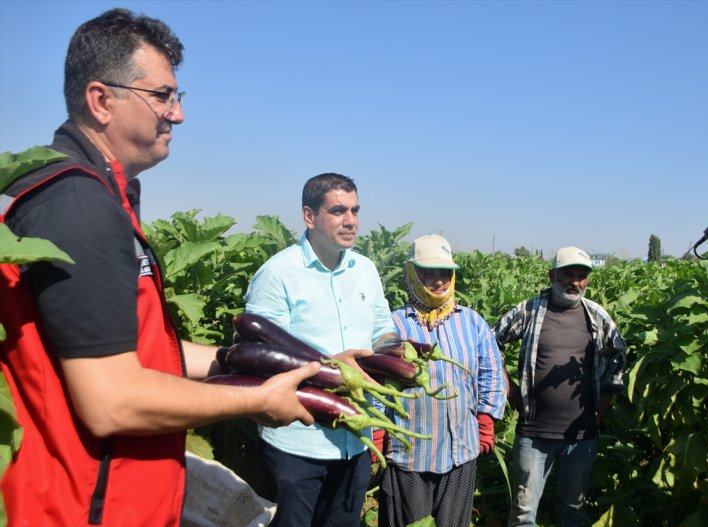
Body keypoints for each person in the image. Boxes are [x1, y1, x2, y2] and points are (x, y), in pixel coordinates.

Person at [0, 9, 320, 526]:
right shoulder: (77, 206)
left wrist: (281, 366)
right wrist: (256, 401)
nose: (178, 114)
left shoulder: (98, 196)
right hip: (82, 510)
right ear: (102, 100)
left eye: (178, 97)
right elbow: (113, 399)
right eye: (163, 95)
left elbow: (137, 349)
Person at [243, 172, 396, 527]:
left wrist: (395, 359)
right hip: (298, 442)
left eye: (355, 210)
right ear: (309, 217)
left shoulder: (366, 271)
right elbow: (257, 360)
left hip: (355, 440)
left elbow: (383, 333)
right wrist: (328, 367)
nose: (351, 221)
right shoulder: (278, 274)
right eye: (339, 211)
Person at [375, 234, 508, 527]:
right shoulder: (392, 325)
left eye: (445, 273)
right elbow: (376, 382)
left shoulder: (472, 322)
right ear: (413, 273)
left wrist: (486, 417)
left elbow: (492, 371)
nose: (439, 281)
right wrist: (375, 430)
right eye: (428, 273)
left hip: (461, 450)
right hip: (410, 453)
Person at [493, 246, 627, 527]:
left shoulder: (596, 316)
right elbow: (490, 341)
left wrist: (604, 402)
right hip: (534, 431)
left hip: (581, 434)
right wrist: (509, 387)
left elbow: (618, 354)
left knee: (575, 508)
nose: (575, 282)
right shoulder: (529, 311)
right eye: (569, 274)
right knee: (523, 512)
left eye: (582, 276)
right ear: (552, 274)